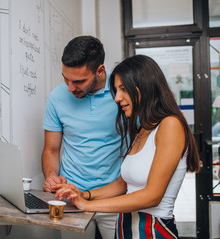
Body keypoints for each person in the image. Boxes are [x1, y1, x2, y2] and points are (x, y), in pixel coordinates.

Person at [53, 54, 201, 238]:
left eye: (123, 89)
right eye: (116, 90)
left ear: (145, 87)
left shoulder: (170, 125)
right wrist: (84, 194)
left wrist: (87, 205)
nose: (117, 98)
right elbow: (122, 185)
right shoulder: (142, 129)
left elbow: (152, 196)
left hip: (152, 229)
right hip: (126, 226)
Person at [42, 35, 123, 238]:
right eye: (65, 78)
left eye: (78, 81)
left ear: (100, 71)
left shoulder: (123, 92)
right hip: (70, 198)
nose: (70, 87)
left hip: (114, 197)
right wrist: (51, 176)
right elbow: (51, 149)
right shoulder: (57, 97)